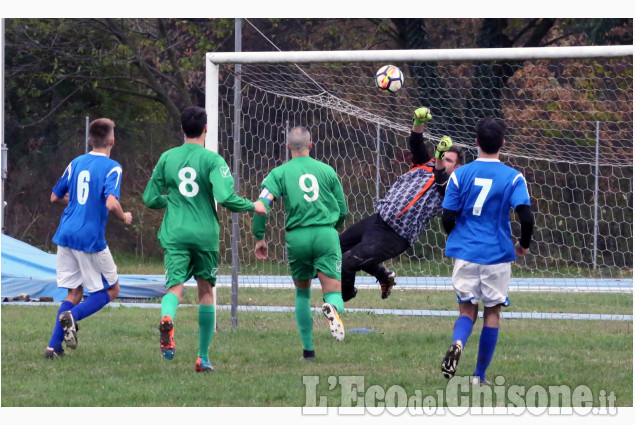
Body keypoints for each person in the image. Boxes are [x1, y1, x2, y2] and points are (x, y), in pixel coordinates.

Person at [143, 106, 266, 372]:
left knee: (174, 288)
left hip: (175, 233)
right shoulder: (213, 161)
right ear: (206, 129)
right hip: (204, 236)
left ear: (181, 129)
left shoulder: (167, 158)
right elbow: (225, 198)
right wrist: (252, 205)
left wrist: (173, 200)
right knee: (206, 293)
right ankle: (202, 357)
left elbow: (150, 199)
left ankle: (167, 316)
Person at [440, 117, 534, 385]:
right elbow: (526, 218)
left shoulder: (460, 174)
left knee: (466, 312)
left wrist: (460, 236)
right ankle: (478, 377)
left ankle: (458, 342)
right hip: (497, 256)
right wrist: (523, 245)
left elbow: (447, 217)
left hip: (467, 254)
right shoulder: (514, 177)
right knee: (492, 314)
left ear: (476, 143)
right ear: (503, 143)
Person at [339, 107, 463, 301]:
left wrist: (439, 159)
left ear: (457, 167)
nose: (442, 160)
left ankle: (342, 298)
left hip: (395, 236)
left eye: (448, 159)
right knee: (336, 248)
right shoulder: (426, 164)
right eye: (442, 156)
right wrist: (418, 123)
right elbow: (416, 144)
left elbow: (440, 179)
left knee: (349, 262)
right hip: (379, 220)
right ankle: (383, 276)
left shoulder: (451, 186)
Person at [252, 126, 347, 361]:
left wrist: (259, 237)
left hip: (297, 237)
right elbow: (342, 208)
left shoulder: (279, 173)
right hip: (325, 233)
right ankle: (332, 309)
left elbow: (262, 206)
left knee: (302, 293)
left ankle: (308, 351)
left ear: (287, 148)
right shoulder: (327, 170)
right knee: (333, 292)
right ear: (310, 145)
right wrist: (334, 227)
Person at [45, 118, 133, 359]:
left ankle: (54, 348)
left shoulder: (76, 162)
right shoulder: (113, 167)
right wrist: (123, 217)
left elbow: (55, 197)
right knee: (112, 289)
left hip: (65, 233)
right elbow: (111, 202)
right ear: (112, 141)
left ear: (89, 140)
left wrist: (73, 203)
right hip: (89, 237)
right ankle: (73, 317)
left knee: (73, 293)